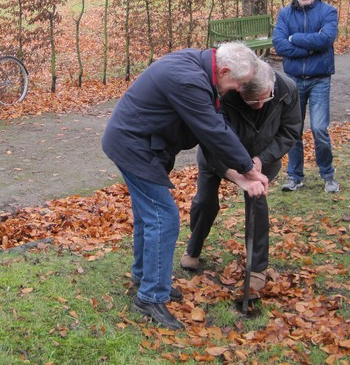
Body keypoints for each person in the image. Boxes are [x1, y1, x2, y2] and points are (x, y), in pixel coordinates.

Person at [101, 42, 266, 330]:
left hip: (139, 144)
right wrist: (248, 168)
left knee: (149, 217)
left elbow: (213, 126)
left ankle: (145, 276)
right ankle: (150, 296)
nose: (236, 90)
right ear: (224, 70)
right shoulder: (188, 79)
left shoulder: (201, 68)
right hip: (132, 146)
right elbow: (213, 131)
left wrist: (240, 174)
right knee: (163, 218)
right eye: (237, 83)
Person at [180, 57, 301, 293]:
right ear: (240, 88)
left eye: (262, 100)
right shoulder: (225, 93)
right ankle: (193, 248)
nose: (257, 106)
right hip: (218, 157)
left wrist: (260, 161)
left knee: (258, 205)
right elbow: (211, 138)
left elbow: (290, 131)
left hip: (262, 157)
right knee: (205, 202)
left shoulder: (288, 90)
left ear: (272, 87)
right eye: (249, 101)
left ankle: (257, 268)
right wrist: (238, 170)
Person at [272, 0, 340, 193]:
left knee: (319, 128)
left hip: (319, 79)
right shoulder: (285, 14)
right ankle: (295, 176)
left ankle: (328, 174)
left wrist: (296, 39)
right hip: (292, 81)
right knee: (293, 130)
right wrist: (312, 47)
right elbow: (279, 45)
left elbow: (326, 38)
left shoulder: (328, 11)